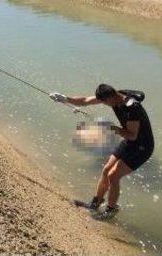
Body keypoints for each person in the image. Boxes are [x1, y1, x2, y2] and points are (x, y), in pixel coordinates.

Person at [50, 83, 154, 218]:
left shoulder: (131, 108)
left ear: (111, 97)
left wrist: (111, 128)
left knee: (113, 175)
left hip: (142, 146)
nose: (103, 104)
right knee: (106, 170)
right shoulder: (112, 96)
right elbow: (85, 101)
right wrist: (64, 98)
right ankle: (95, 203)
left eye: (104, 102)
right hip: (130, 142)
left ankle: (111, 210)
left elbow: (132, 135)